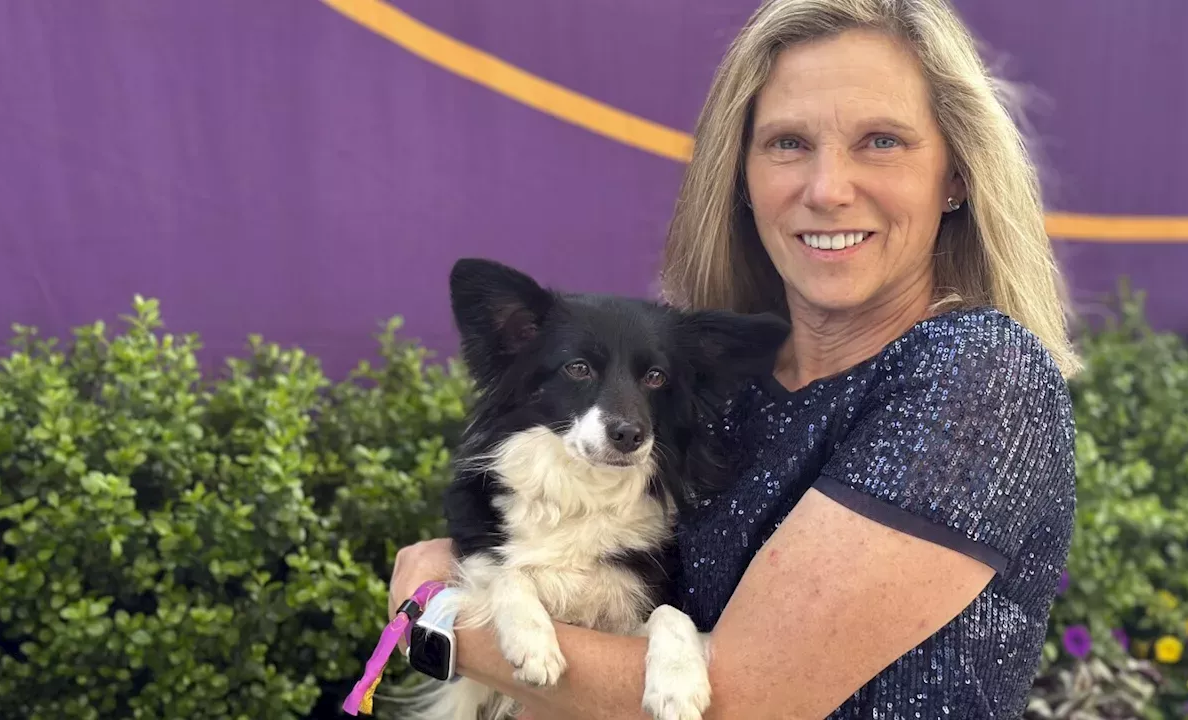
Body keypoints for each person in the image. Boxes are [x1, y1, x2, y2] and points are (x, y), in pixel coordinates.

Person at [388, 0, 1081, 717]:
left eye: (881, 141)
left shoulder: (978, 373)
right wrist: (492, 567)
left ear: (956, 174)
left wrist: (436, 616)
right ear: (742, 177)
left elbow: (748, 700)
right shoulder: (720, 393)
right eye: (787, 143)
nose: (827, 189)